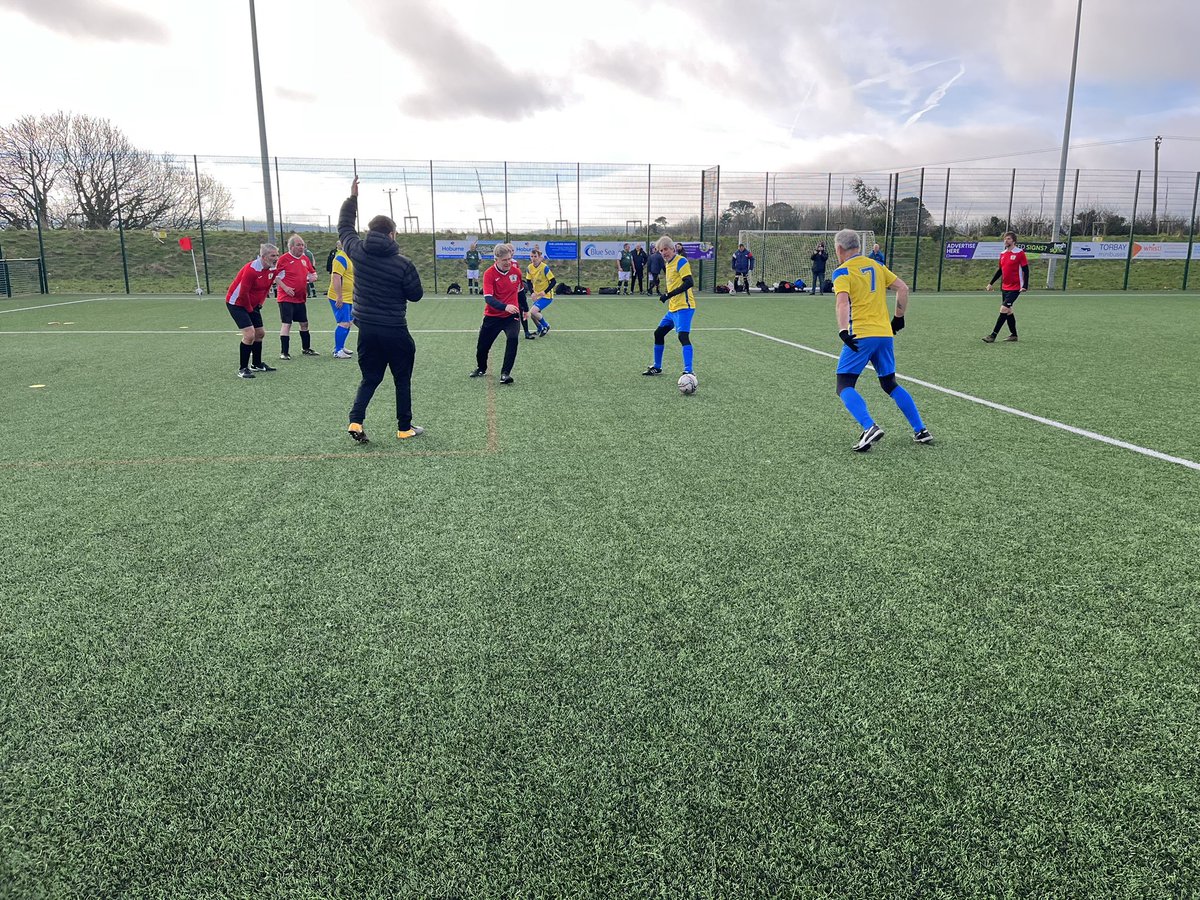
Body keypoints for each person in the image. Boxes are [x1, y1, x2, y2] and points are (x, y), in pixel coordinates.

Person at [338, 177, 425, 443]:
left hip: (367, 330)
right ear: (390, 234)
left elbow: (344, 227)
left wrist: (352, 199)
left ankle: (355, 421)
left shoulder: (357, 251)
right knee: (402, 379)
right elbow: (416, 295)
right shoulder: (402, 263)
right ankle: (404, 428)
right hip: (394, 330)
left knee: (370, 378)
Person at [830, 228, 931, 451]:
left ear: (839, 249)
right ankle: (920, 429)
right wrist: (898, 319)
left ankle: (869, 427)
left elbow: (842, 302)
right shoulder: (877, 265)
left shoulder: (842, 272)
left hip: (861, 335)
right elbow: (902, 288)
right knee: (889, 383)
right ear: (858, 246)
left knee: (844, 384)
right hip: (884, 334)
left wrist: (843, 330)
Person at [470, 242, 527, 384]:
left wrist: (525, 309)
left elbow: (520, 293)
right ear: (496, 259)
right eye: (504, 260)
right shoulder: (489, 273)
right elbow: (488, 298)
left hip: (511, 316)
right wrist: (504, 306)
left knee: (513, 339)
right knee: (482, 347)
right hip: (492, 316)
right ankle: (481, 368)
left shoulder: (516, 272)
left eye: (509, 259)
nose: (508, 262)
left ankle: (505, 374)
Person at [642, 235, 696, 379]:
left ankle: (689, 371)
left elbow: (689, 282)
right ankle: (657, 367)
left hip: (685, 307)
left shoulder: (681, 261)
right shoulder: (668, 263)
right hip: (673, 309)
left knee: (683, 336)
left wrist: (668, 295)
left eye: (666, 249)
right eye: (661, 250)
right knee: (658, 334)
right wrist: (668, 295)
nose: (664, 252)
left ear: (672, 248)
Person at [224, 243, 280, 379]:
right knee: (249, 335)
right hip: (237, 303)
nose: (276, 258)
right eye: (273, 255)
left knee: (260, 333)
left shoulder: (272, 269)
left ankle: (257, 364)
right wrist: (250, 309)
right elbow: (243, 294)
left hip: (252, 303)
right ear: (263, 256)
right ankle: (243, 368)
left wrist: (260, 303)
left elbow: (267, 288)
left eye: (277, 255)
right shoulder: (251, 269)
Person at [275, 234, 319, 359]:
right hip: (286, 298)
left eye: (303, 245)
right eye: (298, 245)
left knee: (304, 323)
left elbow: (312, 273)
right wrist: (286, 288)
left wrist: (313, 277)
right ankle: (284, 352)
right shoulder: (284, 259)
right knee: (287, 324)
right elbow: (275, 277)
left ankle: (306, 348)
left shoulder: (305, 259)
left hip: (300, 298)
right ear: (291, 247)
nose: (301, 247)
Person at [982, 231, 1028, 343]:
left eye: (1008, 239)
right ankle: (1014, 335)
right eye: (1004, 239)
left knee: (1003, 309)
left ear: (1014, 241)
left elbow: (1026, 270)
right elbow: (1000, 271)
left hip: (1016, 287)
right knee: (1008, 311)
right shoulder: (1003, 253)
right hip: (1005, 287)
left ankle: (993, 335)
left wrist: (1025, 285)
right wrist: (991, 283)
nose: (1005, 241)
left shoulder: (1020, 253)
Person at [326, 240, 355, 359]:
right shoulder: (340, 258)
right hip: (340, 297)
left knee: (349, 322)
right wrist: (339, 296)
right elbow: (336, 278)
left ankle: (341, 346)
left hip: (350, 297)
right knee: (344, 323)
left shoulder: (350, 258)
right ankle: (337, 351)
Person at [525, 246, 557, 337]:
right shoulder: (529, 267)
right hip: (537, 295)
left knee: (533, 312)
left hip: (546, 296)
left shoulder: (544, 267)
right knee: (532, 314)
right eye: (531, 256)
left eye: (535, 256)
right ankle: (539, 328)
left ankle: (546, 326)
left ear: (540, 257)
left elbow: (553, 281)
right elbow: (528, 281)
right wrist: (532, 292)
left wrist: (545, 291)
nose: (533, 258)